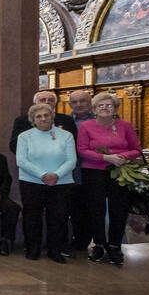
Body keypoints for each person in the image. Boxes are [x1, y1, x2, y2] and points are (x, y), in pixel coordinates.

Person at [77, 93, 143, 266]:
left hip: (120, 172)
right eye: (101, 106)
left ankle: (114, 246)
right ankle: (98, 245)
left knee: (118, 210)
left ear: (115, 109)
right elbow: (82, 150)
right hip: (94, 172)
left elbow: (136, 149)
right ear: (94, 109)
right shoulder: (86, 126)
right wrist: (105, 158)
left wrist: (121, 155)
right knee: (95, 209)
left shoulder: (125, 126)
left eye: (109, 106)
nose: (105, 109)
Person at [16, 103, 76, 263]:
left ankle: (54, 250)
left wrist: (56, 175)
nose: (43, 119)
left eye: (46, 115)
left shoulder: (66, 135)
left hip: (61, 182)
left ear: (52, 117)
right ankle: (33, 249)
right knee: (32, 216)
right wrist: (43, 175)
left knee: (58, 217)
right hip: (31, 182)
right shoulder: (24, 136)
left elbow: (71, 160)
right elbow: (21, 160)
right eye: (39, 116)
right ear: (33, 120)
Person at [67, 89, 95, 252]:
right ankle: (80, 240)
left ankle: (100, 240)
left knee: (96, 208)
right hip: (74, 172)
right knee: (76, 208)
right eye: (74, 102)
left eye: (82, 101)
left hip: (97, 170)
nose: (78, 105)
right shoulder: (66, 121)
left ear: (90, 102)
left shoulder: (102, 119)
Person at [9, 91, 77, 153]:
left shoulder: (67, 120)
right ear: (35, 103)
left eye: (51, 100)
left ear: (55, 104)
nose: (47, 102)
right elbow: (15, 145)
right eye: (43, 100)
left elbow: (74, 143)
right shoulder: (22, 121)